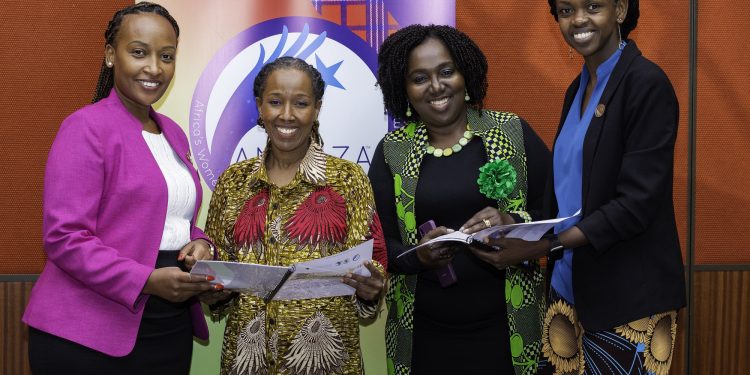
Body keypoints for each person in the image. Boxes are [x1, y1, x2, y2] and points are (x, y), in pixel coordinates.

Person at [491, 1, 687, 374]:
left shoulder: (646, 84)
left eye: (592, 6)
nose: (578, 19)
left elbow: (635, 205)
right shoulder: (577, 89)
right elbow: (571, 194)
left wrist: (544, 245)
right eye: (565, 10)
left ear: (619, 9)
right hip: (568, 292)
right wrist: (515, 224)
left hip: (629, 300)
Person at [22, 3, 218, 374]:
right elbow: (65, 237)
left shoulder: (173, 132)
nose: (154, 68)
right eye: (139, 52)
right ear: (112, 55)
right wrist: (146, 280)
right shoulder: (85, 128)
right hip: (88, 333)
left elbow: (171, 218)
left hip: (168, 325)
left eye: (167, 56)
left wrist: (200, 243)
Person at [369, 24, 551, 375]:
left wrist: (512, 223)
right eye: (419, 78)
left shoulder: (511, 132)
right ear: (404, 90)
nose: (436, 86)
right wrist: (417, 256)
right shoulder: (392, 151)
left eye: (446, 72)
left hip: (509, 329)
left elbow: (554, 217)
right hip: (424, 336)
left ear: (465, 76)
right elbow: (379, 245)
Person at [201, 56, 387, 375]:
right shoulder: (233, 182)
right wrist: (210, 288)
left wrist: (373, 287)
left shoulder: (349, 179)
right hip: (247, 362)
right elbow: (217, 268)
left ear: (316, 109)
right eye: (275, 102)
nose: (286, 115)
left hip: (330, 362)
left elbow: (374, 262)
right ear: (260, 106)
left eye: (300, 103)